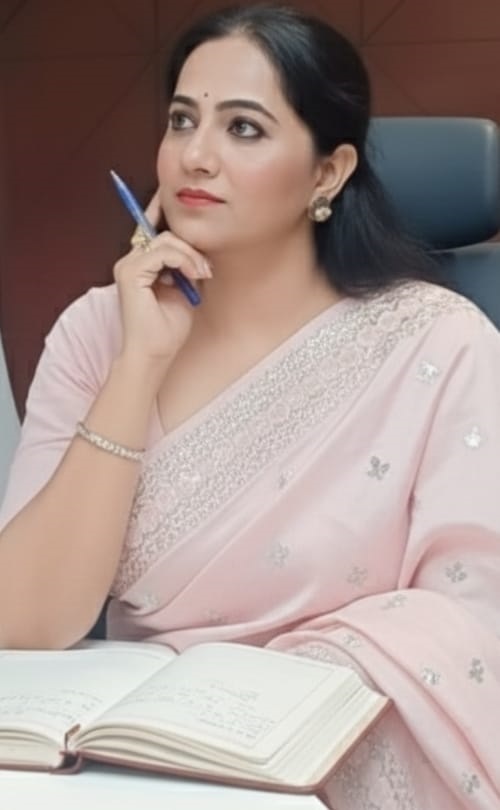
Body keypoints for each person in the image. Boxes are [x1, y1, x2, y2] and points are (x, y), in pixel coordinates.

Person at [1, 3, 499, 807]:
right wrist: (138, 366)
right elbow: (25, 620)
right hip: (135, 765)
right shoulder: (99, 333)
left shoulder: (437, 342)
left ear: (328, 173)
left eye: (243, 128)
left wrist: (284, 709)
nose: (195, 156)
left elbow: (476, 618)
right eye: (182, 120)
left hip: (333, 752)